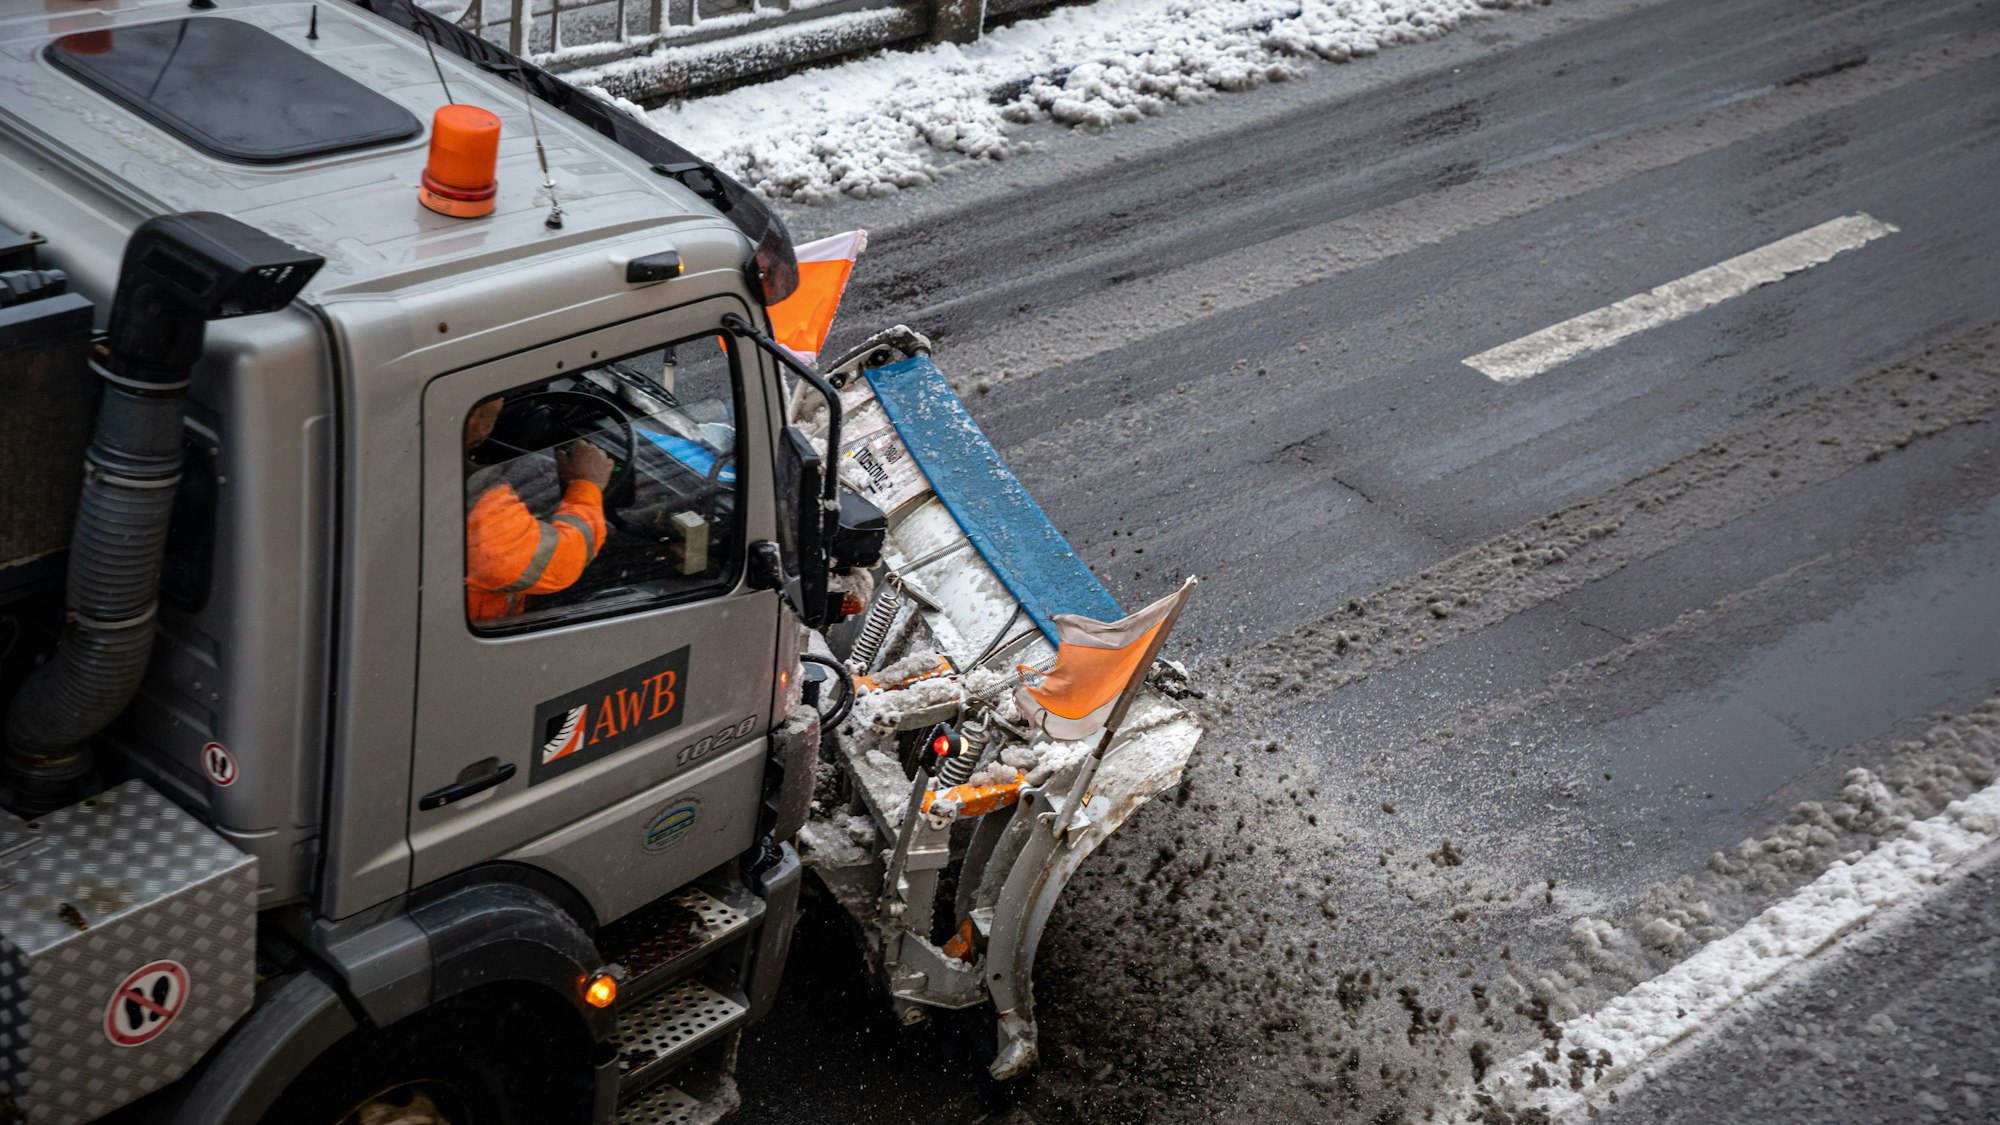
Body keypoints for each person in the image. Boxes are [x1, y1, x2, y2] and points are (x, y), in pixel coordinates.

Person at [463, 397, 613, 624]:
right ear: (473, 418)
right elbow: (559, 561)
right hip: (471, 638)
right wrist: (586, 485)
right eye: (497, 397)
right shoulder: (473, 501)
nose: (503, 403)